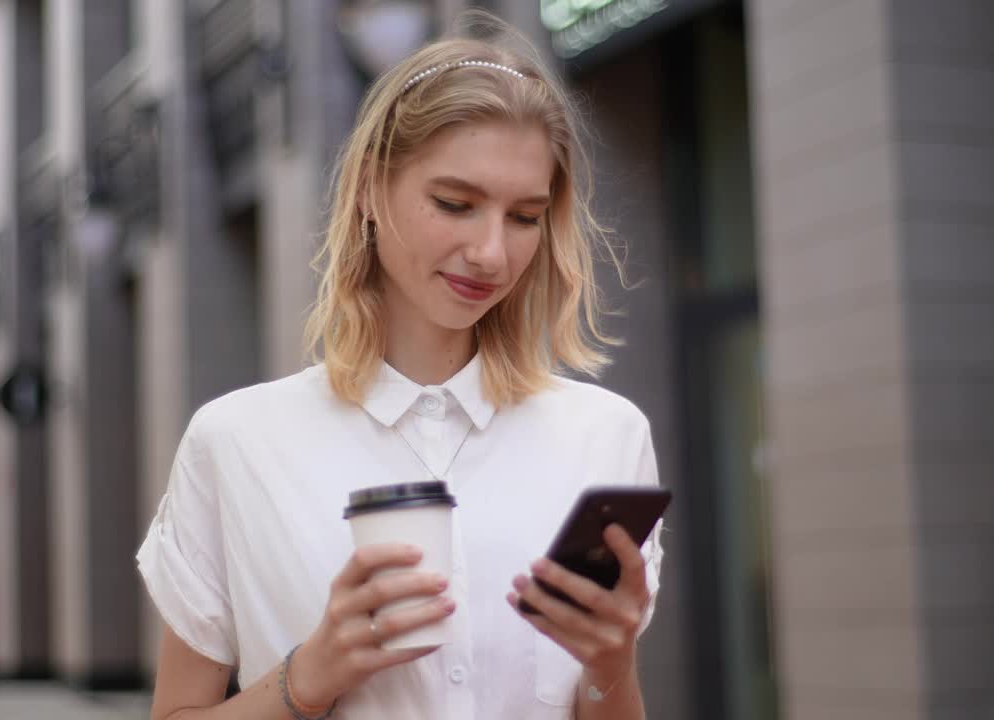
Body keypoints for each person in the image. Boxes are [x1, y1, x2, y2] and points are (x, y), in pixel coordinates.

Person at [137, 17, 666, 720]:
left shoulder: (604, 436)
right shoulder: (234, 442)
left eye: (525, 216)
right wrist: (311, 675)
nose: (491, 253)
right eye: (456, 204)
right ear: (369, 194)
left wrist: (610, 662)